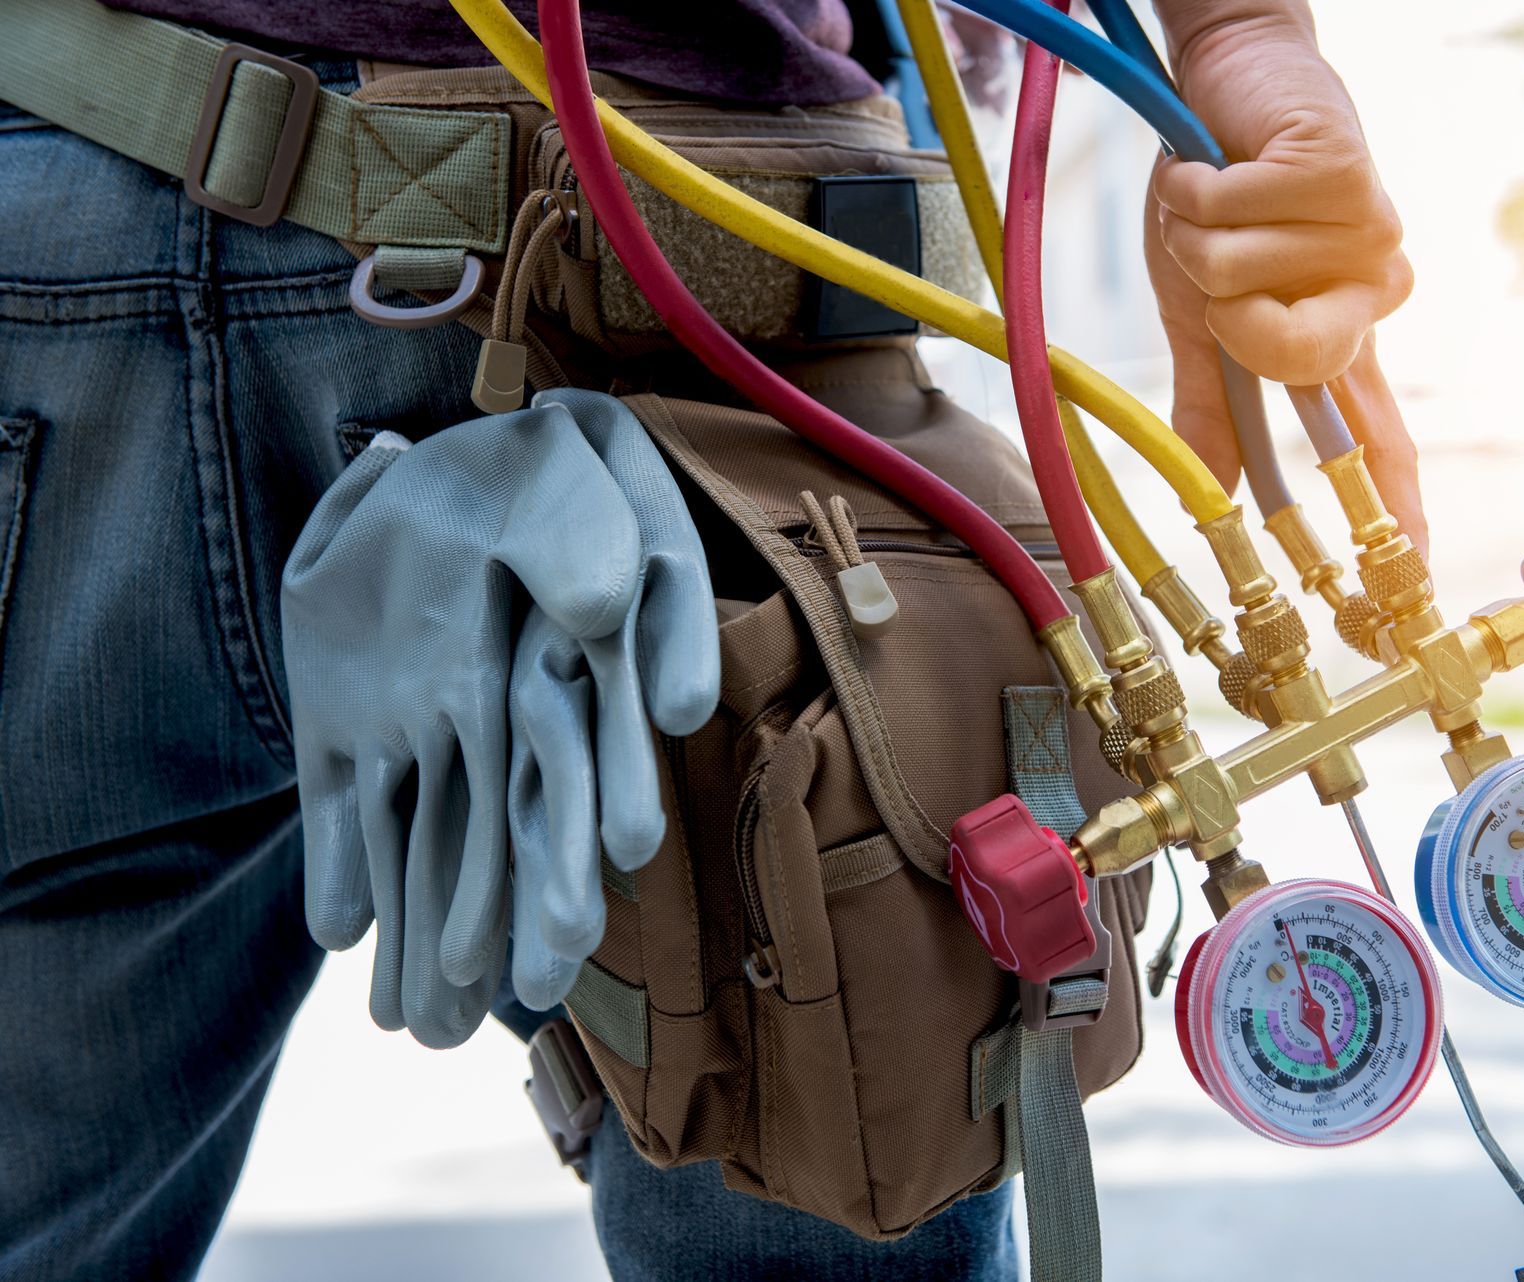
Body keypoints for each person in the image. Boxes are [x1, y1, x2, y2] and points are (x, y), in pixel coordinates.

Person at [0, 2, 1418, 1279]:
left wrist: (1246, 47)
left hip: (74, 213)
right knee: (841, 1145)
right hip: (676, 270)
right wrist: (1239, 38)